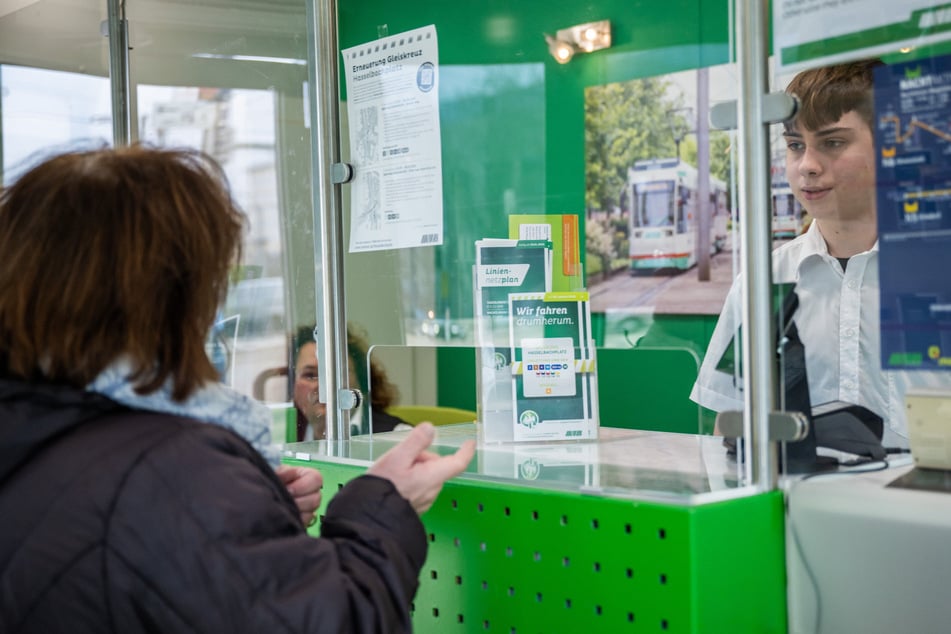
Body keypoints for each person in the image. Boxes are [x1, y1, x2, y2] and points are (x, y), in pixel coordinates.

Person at [0, 144, 475, 632]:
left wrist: (249, 514)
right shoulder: (175, 472)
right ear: (174, 295)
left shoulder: (31, 426)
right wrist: (379, 507)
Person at [692, 59, 915, 448]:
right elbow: (729, 428)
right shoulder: (763, 284)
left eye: (833, 142)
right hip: (796, 508)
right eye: (795, 145)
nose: (807, 166)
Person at [292, 323, 411, 441]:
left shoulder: (399, 438)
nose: (323, 387)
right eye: (310, 375)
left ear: (361, 380)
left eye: (336, 374)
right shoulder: (286, 436)